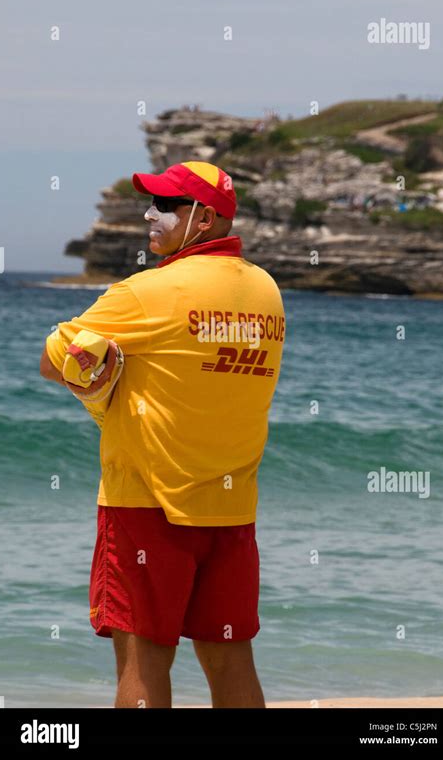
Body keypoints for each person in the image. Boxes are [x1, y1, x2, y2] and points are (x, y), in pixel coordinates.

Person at [40, 160, 286, 708]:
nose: (150, 215)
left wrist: (96, 379)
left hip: (146, 506)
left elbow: (53, 361)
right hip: (231, 511)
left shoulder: (147, 291)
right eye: (150, 203)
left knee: (144, 660)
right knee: (231, 660)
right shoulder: (267, 293)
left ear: (203, 218)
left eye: (166, 206)